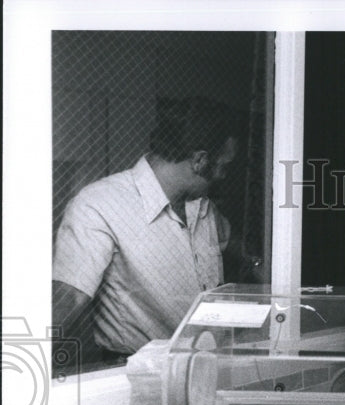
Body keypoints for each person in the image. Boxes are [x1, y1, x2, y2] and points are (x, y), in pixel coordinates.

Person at [52, 96, 239, 362]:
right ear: (199, 161)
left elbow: (231, 241)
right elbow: (68, 300)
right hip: (132, 376)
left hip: (205, 367)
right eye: (224, 165)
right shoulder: (97, 205)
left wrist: (256, 263)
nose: (223, 175)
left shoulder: (203, 207)